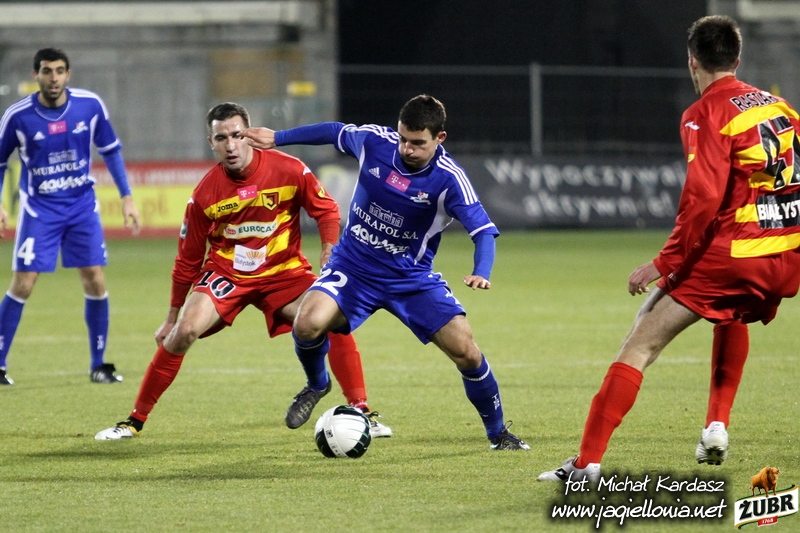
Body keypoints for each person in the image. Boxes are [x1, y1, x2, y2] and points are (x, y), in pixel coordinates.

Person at [538, 15, 800, 482]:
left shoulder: (706, 112)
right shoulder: (781, 107)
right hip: (784, 254)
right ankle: (716, 426)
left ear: (692, 61)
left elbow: (702, 199)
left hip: (734, 256)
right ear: (738, 59)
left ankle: (585, 464)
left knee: (640, 341)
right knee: (732, 314)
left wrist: (664, 263)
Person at [239, 94, 529, 450]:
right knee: (306, 323)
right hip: (353, 267)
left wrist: (481, 270)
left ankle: (498, 434)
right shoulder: (375, 142)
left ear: (440, 138)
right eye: (403, 138)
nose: (407, 148)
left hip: (410, 279)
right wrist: (278, 137)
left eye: (418, 143)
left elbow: (483, 231)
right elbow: (334, 131)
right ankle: (317, 384)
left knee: (466, 351)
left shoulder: (449, 179)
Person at [95, 102, 391, 440]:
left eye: (237, 135)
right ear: (211, 143)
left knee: (330, 318)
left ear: (249, 135)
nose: (231, 145)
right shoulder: (204, 195)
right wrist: (172, 316)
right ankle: (133, 421)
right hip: (227, 274)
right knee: (184, 332)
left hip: (283, 271)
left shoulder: (289, 169)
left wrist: (328, 247)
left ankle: (362, 411)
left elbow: (325, 210)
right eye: (222, 138)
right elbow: (188, 261)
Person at [0, 48, 140, 386]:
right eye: (47, 71)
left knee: (95, 279)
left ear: (68, 74)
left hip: (81, 209)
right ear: (36, 75)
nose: (54, 78)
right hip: (40, 211)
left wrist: (127, 197)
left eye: (60, 71)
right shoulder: (17, 116)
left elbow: (111, 151)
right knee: (23, 283)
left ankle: (99, 364)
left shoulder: (89, 106)